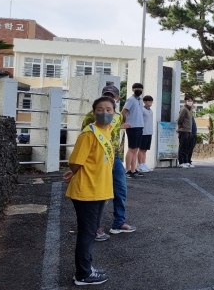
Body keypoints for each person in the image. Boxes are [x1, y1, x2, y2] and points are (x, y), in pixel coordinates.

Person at [64, 96, 115, 285]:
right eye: (100, 109)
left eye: (109, 109)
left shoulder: (107, 131)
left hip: (99, 190)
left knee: (91, 231)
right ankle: (83, 274)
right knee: (87, 232)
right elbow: (76, 161)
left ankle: (86, 267)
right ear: (94, 113)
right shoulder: (89, 134)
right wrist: (73, 171)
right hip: (87, 191)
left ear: (114, 112)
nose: (105, 113)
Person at [81, 86, 136, 242]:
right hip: (98, 159)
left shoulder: (118, 116)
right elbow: (84, 136)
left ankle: (119, 222)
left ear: (117, 99)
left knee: (120, 189)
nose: (110, 98)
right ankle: (95, 227)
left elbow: (116, 131)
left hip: (115, 158)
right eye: (106, 95)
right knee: (99, 193)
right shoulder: (90, 116)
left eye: (112, 96)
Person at [122, 83, 145, 178]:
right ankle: (127, 170)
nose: (138, 89)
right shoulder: (131, 99)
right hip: (132, 127)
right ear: (132, 89)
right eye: (136, 88)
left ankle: (133, 169)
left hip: (139, 126)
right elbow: (123, 112)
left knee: (135, 149)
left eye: (140, 88)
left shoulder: (140, 100)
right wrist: (124, 123)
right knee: (131, 149)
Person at [137, 95, 154, 173]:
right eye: (149, 101)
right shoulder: (142, 110)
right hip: (143, 132)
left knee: (145, 149)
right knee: (141, 149)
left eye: (151, 101)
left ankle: (144, 163)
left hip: (149, 132)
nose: (150, 103)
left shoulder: (150, 110)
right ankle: (140, 164)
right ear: (144, 101)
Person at [177, 96, 194, 168]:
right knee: (182, 147)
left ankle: (186, 161)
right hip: (184, 131)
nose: (190, 102)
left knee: (187, 147)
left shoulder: (189, 110)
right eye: (188, 100)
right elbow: (180, 119)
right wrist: (180, 127)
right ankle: (181, 162)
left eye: (191, 101)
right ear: (185, 101)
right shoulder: (184, 109)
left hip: (189, 131)